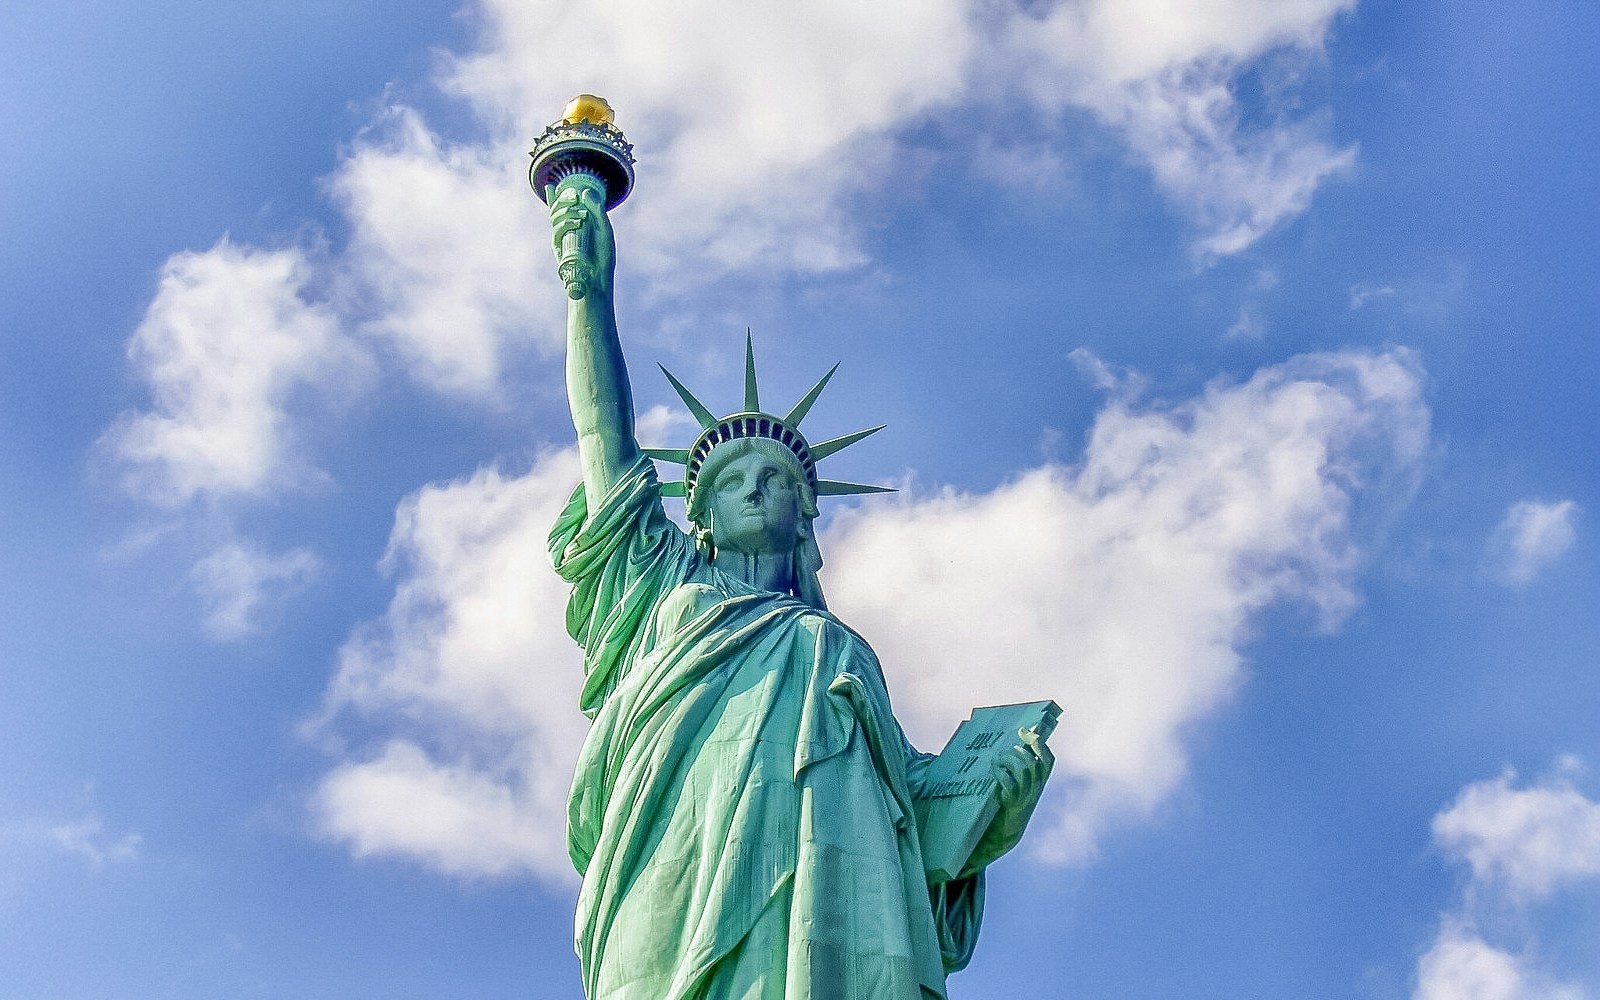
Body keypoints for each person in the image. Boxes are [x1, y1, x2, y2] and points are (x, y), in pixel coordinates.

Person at [546, 180, 1052, 1000]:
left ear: (805, 515)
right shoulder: (662, 584)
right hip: (679, 855)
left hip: (835, 891)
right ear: (698, 515)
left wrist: (993, 807)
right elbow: (602, 434)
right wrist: (590, 296)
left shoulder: (842, 652)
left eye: (774, 479)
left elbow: (911, 815)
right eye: (731, 480)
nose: (754, 489)